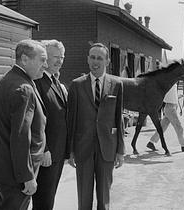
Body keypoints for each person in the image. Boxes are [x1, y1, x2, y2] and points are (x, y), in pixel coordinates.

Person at [0, 39, 48, 210]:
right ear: (24, 59)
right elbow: (20, 136)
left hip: (2, 169)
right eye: (42, 60)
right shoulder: (24, 88)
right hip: (17, 176)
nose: (45, 65)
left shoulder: (4, 82)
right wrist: (26, 176)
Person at [67, 43, 125, 210]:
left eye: (100, 58)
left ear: (107, 61)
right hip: (83, 148)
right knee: (84, 197)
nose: (95, 61)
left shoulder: (116, 84)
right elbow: (72, 120)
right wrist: (70, 151)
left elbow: (118, 118)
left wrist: (120, 150)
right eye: (92, 57)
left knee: (104, 197)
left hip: (107, 148)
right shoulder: (76, 85)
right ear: (87, 59)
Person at [32, 40, 69, 210]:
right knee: (43, 200)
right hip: (46, 154)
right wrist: (44, 148)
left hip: (58, 152)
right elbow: (36, 119)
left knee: (50, 196)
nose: (59, 61)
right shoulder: (38, 82)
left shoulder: (57, 82)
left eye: (61, 57)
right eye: (55, 57)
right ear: (45, 58)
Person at [146, 83, 184, 153]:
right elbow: (166, 97)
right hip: (170, 108)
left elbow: (171, 96)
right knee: (179, 127)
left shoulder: (172, 83)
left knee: (162, 127)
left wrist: (178, 97)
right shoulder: (168, 84)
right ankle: (183, 146)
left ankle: (151, 142)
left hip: (171, 107)